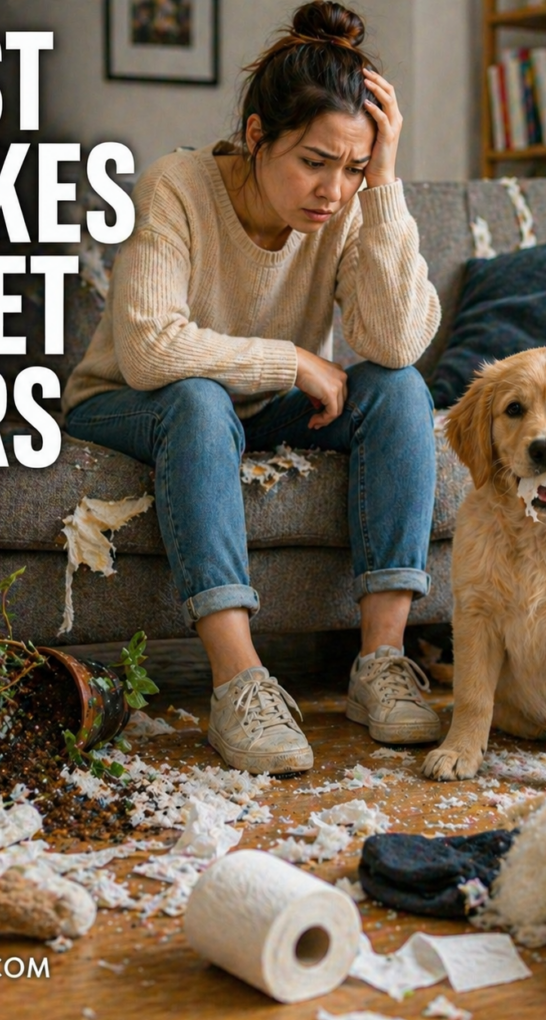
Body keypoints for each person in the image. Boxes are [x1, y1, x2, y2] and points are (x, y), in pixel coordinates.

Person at [63, 0, 442, 775]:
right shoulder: (175, 186)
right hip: (133, 402)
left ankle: (380, 664)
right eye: (315, 161)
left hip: (257, 411)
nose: (331, 190)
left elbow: (397, 342)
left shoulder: (349, 206)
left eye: (353, 167)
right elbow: (150, 350)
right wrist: (293, 361)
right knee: (199, 398)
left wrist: (383, 188)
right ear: (258, 134)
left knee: (399, 389)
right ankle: (238, 681)